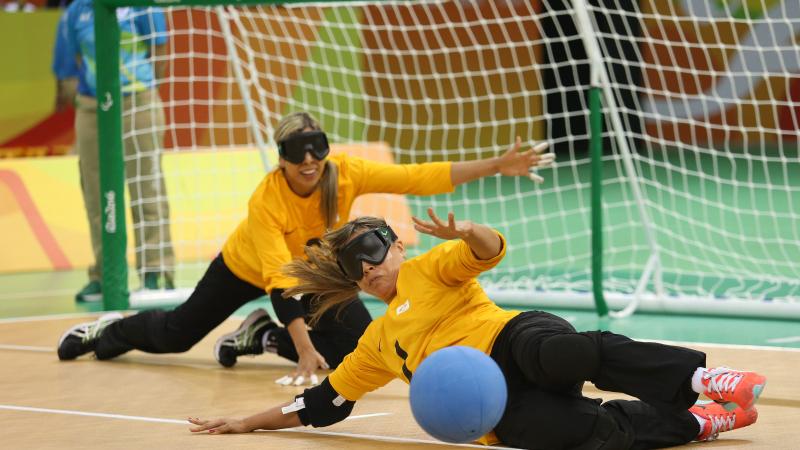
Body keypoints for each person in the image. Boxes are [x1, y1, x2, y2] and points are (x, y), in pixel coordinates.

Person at [186, 211, 766, 448]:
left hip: (514, 340)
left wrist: (467, 231)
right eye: (355, 265)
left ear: (394, 246)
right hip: (497, 412)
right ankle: (696, 421)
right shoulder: (377, 345)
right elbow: (323, 403)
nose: (370, 266)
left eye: (374, 249)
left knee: (560, 355)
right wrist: (245, 422)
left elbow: (487, 252)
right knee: (582, 432)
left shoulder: (427, 269)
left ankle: (702, 377)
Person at [56, 111, 556, 385]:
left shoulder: (346, 174)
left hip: (319, 273)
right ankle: (109, 329)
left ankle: (259, 337)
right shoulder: (267, 201)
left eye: (318, 147)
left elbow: (418, 177)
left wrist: (496, 165)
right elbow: (282, 283)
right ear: (282, 160)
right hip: (248, 269)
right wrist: (302, 351)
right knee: (176, 334)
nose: (311, 160)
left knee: (358, 348)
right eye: (299, 153)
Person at [52, 0, 175, 300]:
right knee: (96, 194)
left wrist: (143, 93)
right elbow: (67, 71)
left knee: (147, 186)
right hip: (93, 108)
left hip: (138, 102)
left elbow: (159, 53)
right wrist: (78, 100)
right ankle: (104, 273)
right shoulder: (74, 12)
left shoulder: (142, 6)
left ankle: (155, 270)